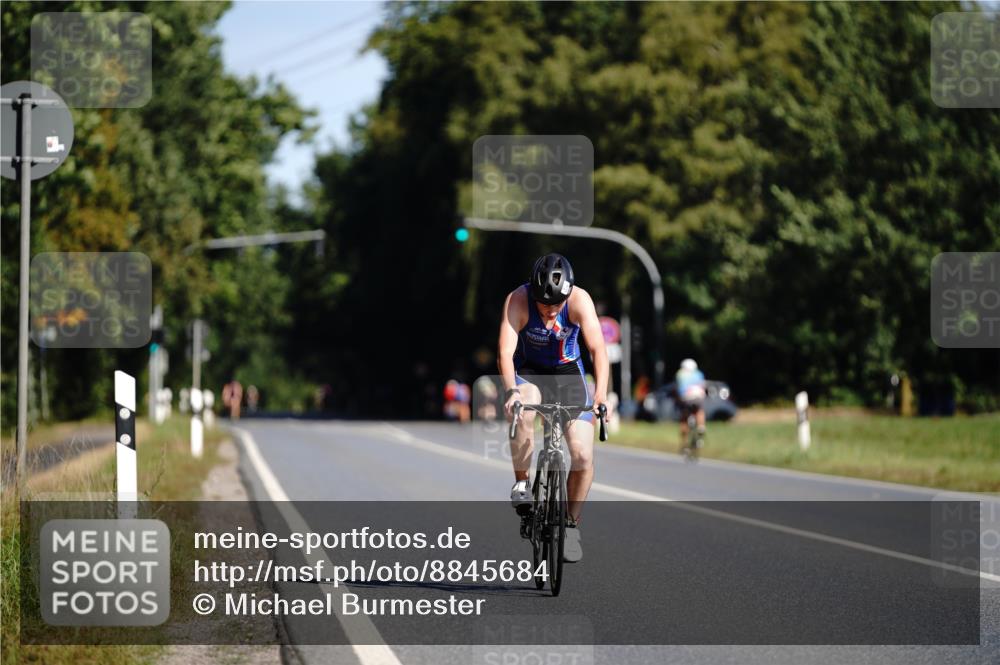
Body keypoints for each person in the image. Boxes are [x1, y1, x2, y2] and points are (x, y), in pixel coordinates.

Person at [497, 253, 609, 563]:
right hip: (529, 370)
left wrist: (600, 395)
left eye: (556, 306)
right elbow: (505, 353)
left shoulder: (579, 300)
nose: (549, 313)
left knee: (583, 454)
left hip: (567, 375)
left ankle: (571, 525)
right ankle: (522, 482)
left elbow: (598, 349)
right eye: (544, 305)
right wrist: (511, 392)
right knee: (524, 410)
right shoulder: (518, 300)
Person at [675, 358, 706, 451]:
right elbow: (703, 385)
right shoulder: (699, 373)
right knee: (699, 410)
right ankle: (701, 427)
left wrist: (678, 399)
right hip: (698, 395)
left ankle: (684, 442)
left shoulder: (680, 374)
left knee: (684, 418)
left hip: (686, 397)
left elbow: (678, 388)